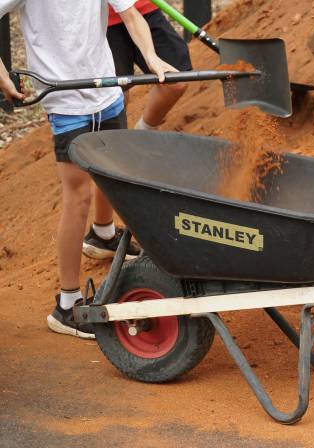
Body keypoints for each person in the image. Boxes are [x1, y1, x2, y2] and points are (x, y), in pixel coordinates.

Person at [0, 0, 176, 339]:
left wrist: (151, 57)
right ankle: (66, 305)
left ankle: (104, 234)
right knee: (77, 197)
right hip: (65, 103)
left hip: (107, 91)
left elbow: (130, 13)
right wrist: (3, 75)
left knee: (112, 174)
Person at [106, 0, 191, 131]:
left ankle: (144, 130)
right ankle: (116, 143)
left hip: (143, 7)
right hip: (102, 18)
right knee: (116, 92)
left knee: (176, 78)